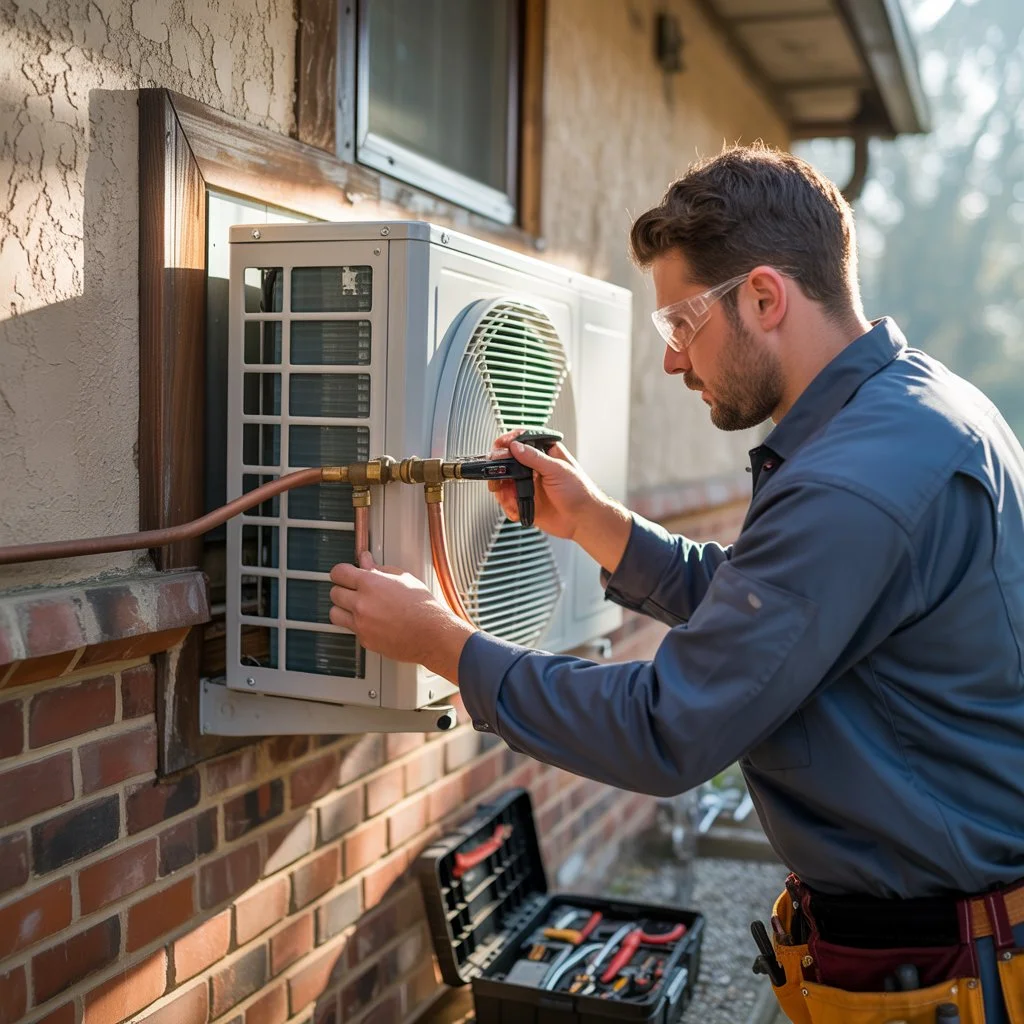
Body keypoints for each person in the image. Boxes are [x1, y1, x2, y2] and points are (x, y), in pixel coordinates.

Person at [329, 144, 1024, 1023]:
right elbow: (777, 618)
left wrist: (442, 644)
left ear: (764, 298)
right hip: (942, 943)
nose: (672, 362)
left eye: (682, 324)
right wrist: (596, 524)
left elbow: (666, 728)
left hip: (942, 975)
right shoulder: (916, 410)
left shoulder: (853, 481)